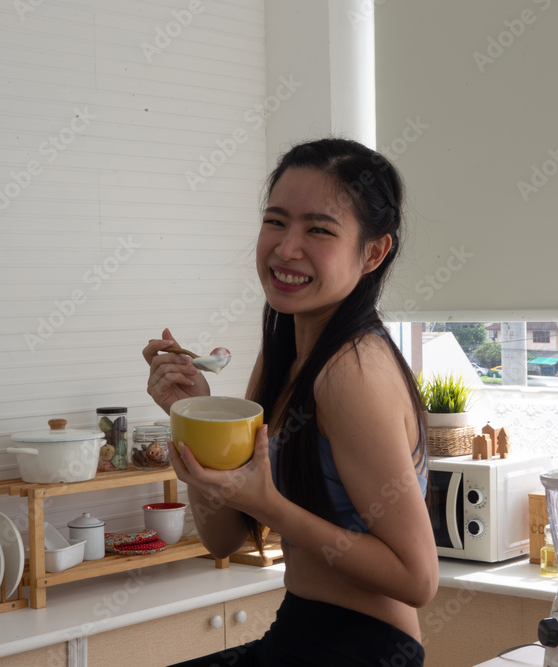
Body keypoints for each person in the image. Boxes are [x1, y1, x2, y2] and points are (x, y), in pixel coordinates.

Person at [142, 138, 438, 666]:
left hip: (360, 650)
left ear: (373, 252)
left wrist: (268, 505)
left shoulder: (352, 373)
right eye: (276, 221)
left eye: (319, 229)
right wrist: (195, 417)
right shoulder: (286, 356)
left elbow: (418, 579)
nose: (285, 248)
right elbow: (224, 540)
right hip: (299, 632)